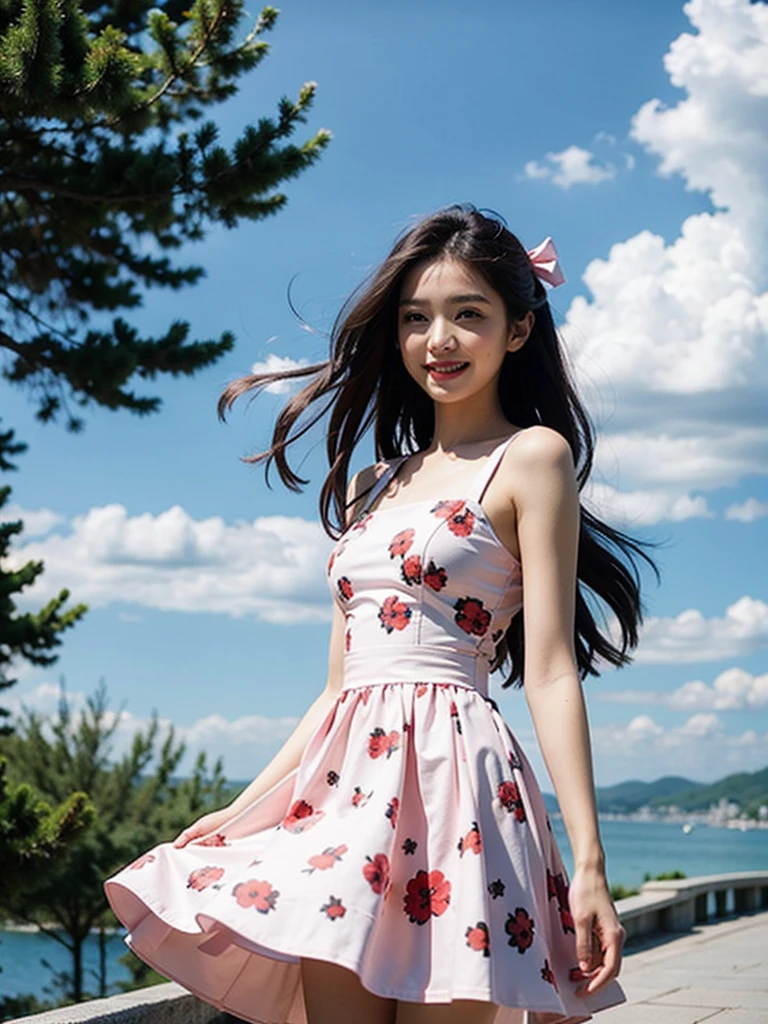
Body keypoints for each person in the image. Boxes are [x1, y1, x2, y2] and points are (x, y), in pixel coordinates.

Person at [105, 205, 654, 1024]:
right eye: (416, 318)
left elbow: (547, 670)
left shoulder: (533, 457)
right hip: (345, 793)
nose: (440, 338)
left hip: (459, 783)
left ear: (517, 331)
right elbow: (338, 689)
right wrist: (244, 804)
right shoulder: (373, 485)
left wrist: (589, 864)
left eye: (469, 314)